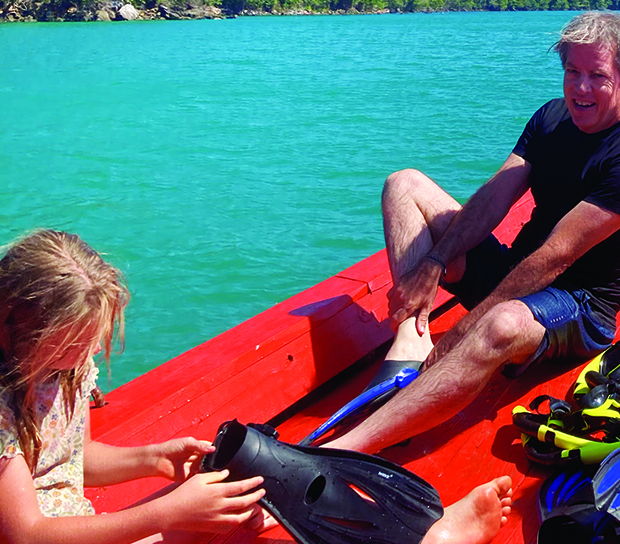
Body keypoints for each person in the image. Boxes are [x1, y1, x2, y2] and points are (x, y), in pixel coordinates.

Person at [0, 229, 514, 544]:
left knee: (253, 495)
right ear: (18, 329)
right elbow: (26, 533)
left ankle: (418, 533)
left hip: (73, 526)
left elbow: (67, 457)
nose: (87, 355)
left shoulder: (55, 369)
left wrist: (154, 459)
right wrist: (164, 511)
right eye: (74, 344)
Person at [324, 11, 620, 454]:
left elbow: (556, 256)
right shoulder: (550, 118)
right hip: (515, 270)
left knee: (500, 322)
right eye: (572, 72)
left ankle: (351, 447)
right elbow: (492, 200)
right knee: (404, 184)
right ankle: (412, 336)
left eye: (597, 76)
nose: (580, 88)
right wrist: (432, 263)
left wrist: (466, 328)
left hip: (579, 306)